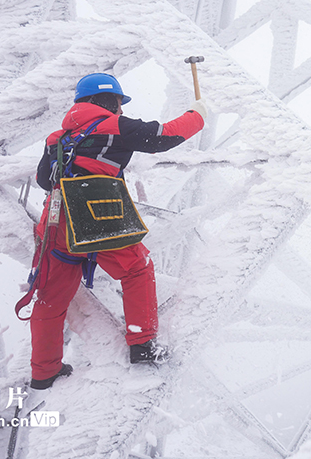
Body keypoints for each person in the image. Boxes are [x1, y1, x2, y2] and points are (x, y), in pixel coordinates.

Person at [27, 73, 207, 389]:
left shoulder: (57, 138)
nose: (120, 110)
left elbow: (44, 180)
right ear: (109, 101)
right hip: (99, 218)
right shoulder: (113, 126)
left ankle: (44, 372)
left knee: (50, 300)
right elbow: (163, 137)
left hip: (55, 225)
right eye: (118, 104)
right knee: (137, 269)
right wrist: (198, 115)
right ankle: (143, 345)